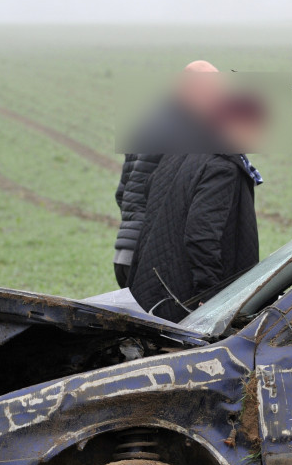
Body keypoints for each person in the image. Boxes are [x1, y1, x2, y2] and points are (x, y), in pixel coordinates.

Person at [126, 91, 266, 322]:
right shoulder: (222, 168)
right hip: (183, 301)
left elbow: (149, 195)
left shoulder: (179, 153)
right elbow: (201, 235)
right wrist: (209, 293)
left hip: (151, 289)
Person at [112, 61, 222, 287]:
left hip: (124, 252)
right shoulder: (186, 131)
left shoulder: (148, 122)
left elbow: (123, 193)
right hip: (151, 257)